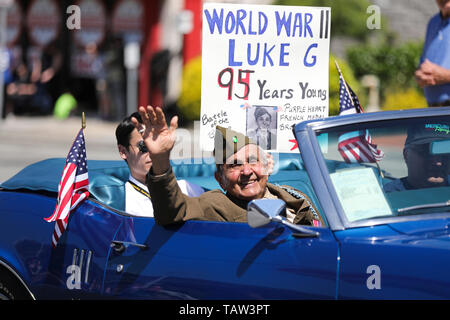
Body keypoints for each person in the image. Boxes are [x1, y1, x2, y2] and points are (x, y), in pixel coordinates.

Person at [132, 105, 321, 227]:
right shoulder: (215, 205)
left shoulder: (294, 195)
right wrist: (160, 160)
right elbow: (172, 212)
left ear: (266, 165)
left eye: (252, 160)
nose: (246, 171)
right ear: (219, 179)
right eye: (234, 166)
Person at [116, 112, 204, 217]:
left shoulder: (190, 190)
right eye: (144, 145)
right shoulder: (119, 201)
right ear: (123, 151)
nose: (154, 151)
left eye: (158, 142)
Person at [383, 123, 450, 192]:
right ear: (406, 155)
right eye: (426, 153)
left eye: (445, 153)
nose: (438, 163)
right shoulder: (388, 197)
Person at [415, 0, 450, 107]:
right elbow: (423, 61)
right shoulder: (433, 22)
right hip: (434, 108)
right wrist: (420, 75)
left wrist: (446, 76)